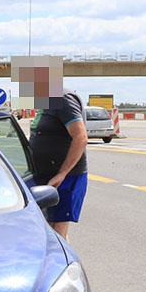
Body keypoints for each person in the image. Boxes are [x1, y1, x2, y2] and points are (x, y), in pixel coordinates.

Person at [29, 89, 89, 241]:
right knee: (52, 230)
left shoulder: (62, 98)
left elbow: (80, 137)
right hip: (47, 176)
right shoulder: (46, 100)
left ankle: (61, 264)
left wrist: (62, 174)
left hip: (64, 178)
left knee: (56, 234)